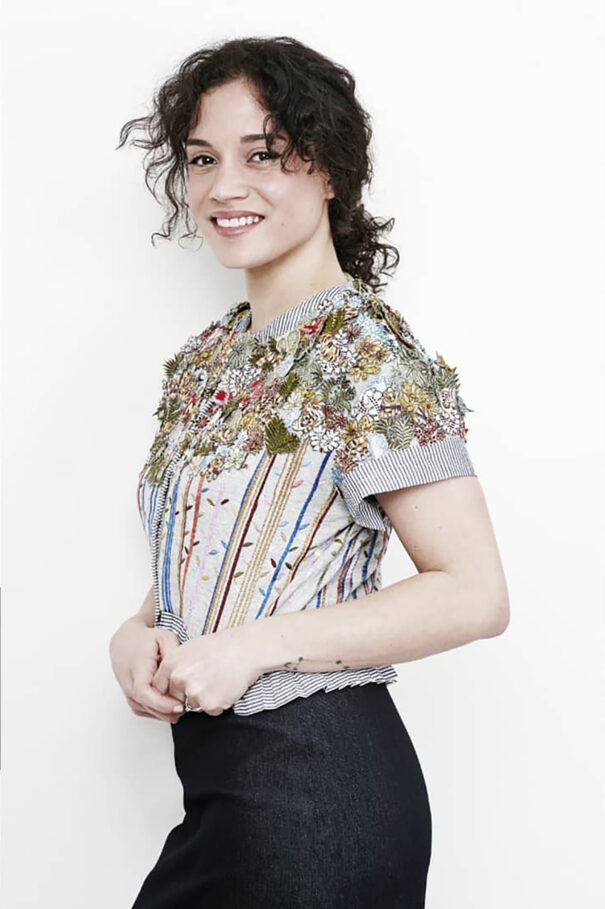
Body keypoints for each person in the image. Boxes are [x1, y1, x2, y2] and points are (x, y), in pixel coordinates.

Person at [110, 35, 509, 909]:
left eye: (263, 154)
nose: (224, 187)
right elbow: (224, 549)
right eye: (202, 159)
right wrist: (140, 629)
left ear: (327, 170)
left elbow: (473, 591)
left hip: (317, 788)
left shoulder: (368, 358)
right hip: (222, 788)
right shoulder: (205, 360)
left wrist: (246, 649)